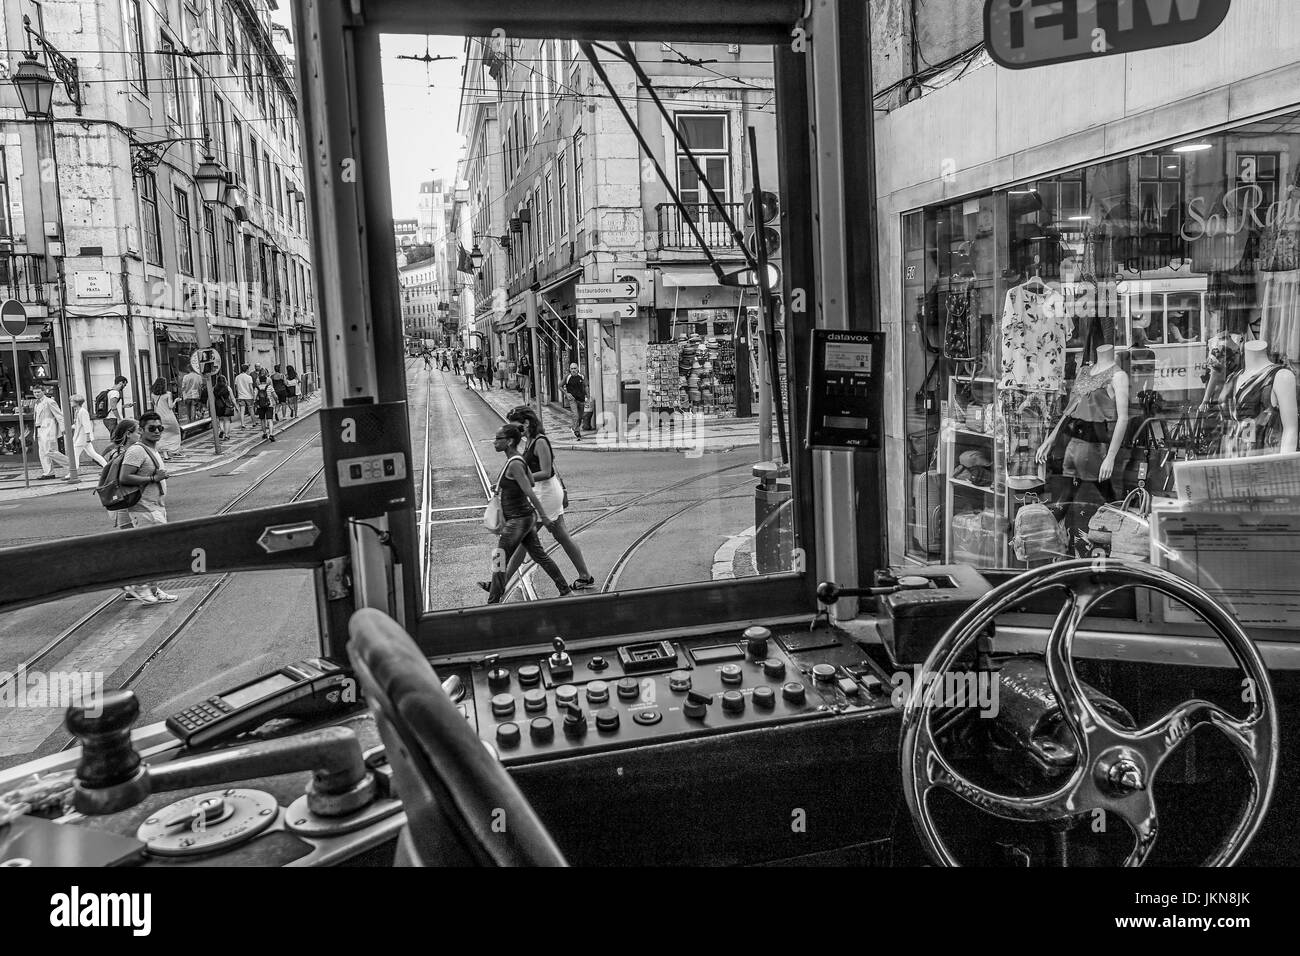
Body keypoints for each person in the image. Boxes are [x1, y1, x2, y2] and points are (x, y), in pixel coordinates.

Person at [480, 423, 572, 603]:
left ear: (510, 441)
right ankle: (565, 590)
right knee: (540, 556)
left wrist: (544, 516)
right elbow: (530, 480)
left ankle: (492, 602)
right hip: (526, 518)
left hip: (518, 519)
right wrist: (507, 485)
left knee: (500, 556)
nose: (494, 442)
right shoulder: (518, 460)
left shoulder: (514, 463)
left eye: (498, 439)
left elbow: (529, 490)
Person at [506, 406, 596, 590]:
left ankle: (498, 585)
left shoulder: (540, 441)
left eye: (514, 425)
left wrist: (520, 478)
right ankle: (585, 576)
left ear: (526, 423)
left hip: (547, 493)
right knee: (562, 536)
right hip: (544, 491)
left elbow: (547, 471)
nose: (512, 429)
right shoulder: (529, 440)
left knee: (523, 540)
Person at [116, 411, 178, 604]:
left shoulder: (152, 449)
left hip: (156, 506)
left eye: (160, 428)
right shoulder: (137, 451)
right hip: (144, 509)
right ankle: (144, 589)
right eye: (152, 428)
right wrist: (153, 478)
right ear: (141, 430)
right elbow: (124, 477)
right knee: (150, 552)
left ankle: (151, 589)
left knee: (153, 551)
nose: (157, 431)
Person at [32, 386, 68, 479]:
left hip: (48, 429)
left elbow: (59, 415)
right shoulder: (36, 403)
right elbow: (36, 418)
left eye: (38, 392)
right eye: (35, 392)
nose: (36, 394)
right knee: (42, 452)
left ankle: (71, 464)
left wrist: (63, 428)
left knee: (50, 451)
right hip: (39, 429)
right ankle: (48, 473)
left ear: (43, 391)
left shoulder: (49, 401)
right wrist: (35, 432)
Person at [70, 395, 108, 469]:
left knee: (75, 454)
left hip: (83, 437)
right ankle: (107, 467)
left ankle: (73, 471)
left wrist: (88, 436)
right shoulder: (77, 411)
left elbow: (86, 425)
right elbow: (78, 425)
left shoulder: (82, 412)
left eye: (72, 401)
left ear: (77, 402)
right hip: (82, 436)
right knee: (92, 454)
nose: (70, 402)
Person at [150, 377, 183, 460]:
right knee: (176, 433)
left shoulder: (153, 394)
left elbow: (154, 405)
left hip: (159, 418)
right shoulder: (168, 394)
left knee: (162, 435)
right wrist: (176, 400)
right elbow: (170, 406)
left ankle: (165, 455)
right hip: (169, 417)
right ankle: (174, 450)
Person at [563, 362, 588, 440]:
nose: (573, 370)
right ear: (570, 369)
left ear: (578, 369)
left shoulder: (582, 376)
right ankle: (577, 432)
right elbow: (559, 386)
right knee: (576, 416)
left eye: (575, 368)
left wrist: (588, 396)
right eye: (571, 369)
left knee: (580, 417)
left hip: (581, 399)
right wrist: (566, 394)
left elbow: (586, 386)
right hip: (572, 400)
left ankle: (574, 428)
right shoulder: (567, 377)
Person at [254, 369, 278, 441]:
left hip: (260, 406)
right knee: (270, 420)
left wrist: (256, 404)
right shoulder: (270, 387)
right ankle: (271, 434)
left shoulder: (257, 388)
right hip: (269, 405)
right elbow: (275, 396)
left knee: (262, 420)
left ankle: (264, 433)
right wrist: (276, 401)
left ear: (259, 381)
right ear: (266, 380)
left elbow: (254, 397)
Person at [213, 374, 236, 440]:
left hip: (218, 405)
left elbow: (212, 398)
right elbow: (232, 398)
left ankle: (222, 430)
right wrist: (236, 406)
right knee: (227, 420)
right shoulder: (228, 388)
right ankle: (226, 435)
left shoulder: (214, 388)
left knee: (220, 419)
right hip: (227, 405)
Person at [234, 364, 255, 429]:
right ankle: (253, 422)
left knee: (242, 411)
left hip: (241, 396)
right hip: (248, 396)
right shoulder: (249, 377)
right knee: (251, 409)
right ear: (247, 370)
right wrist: (253, 395)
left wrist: (238, 394)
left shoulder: (237, 377)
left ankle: (243, 424)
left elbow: (236, 387)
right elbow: (251, 387)